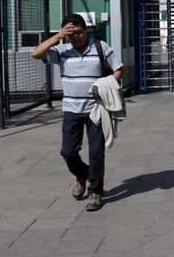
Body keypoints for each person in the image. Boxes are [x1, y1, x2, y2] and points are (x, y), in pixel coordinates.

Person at [32, 13, 123, 211]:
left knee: (96, 153)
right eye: (71, 34)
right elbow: (36, 53)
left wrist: (107, 83)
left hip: (96, 110)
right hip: (71, 111)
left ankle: (95, 191)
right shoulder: (61, 50)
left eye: (79, 33)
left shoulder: (100, 47)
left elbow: (118, 69)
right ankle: (83, 174)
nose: (76, 37)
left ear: (85, 30)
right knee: (68, 152)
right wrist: (58, 37)